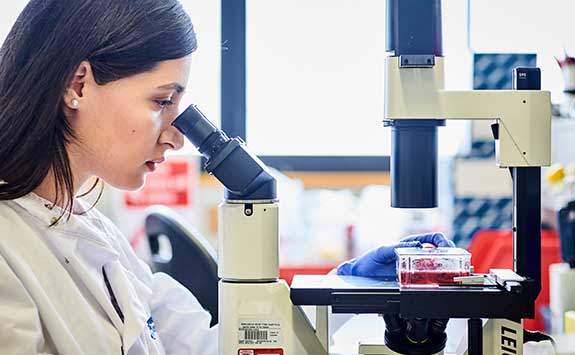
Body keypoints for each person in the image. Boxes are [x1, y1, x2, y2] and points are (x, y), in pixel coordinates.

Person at [0, 1, 454, 354]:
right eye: (161, 102)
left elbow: (217, 348)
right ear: (79, 85)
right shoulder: (8, 248)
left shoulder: (96, 236)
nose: (176, 138)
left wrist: (342, 291)